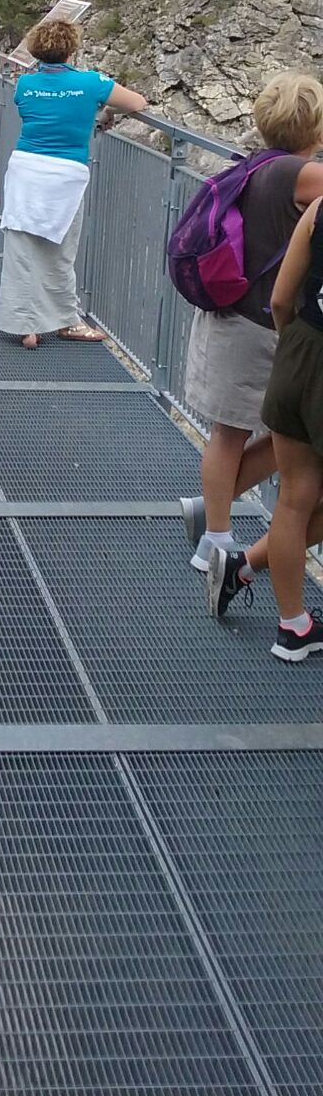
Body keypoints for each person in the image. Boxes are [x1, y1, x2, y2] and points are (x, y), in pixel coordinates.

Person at [180, 73, 323, 575]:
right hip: (258, 324)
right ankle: (214, 542)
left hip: (235, 316)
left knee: (265, 434)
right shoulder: (301, 174)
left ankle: (210, 509)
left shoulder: (259, 164)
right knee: (239, 434)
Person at [207, 192, 323, 661]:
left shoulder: (319, 208)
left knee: (294, 499)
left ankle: (291, 622)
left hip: (301, 355)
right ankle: (248, 570)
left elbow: (280, 299)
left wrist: (297, 347)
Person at [0, 17, 148, 348]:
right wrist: (104, 110)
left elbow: (37, 107)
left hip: (26, 169)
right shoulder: (91, 82)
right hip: (65, 176)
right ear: (71, 49)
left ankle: (25, 326)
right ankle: (66, 320)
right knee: (60, 250)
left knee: (20, 248)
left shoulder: (24, 84)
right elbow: (138, 103)